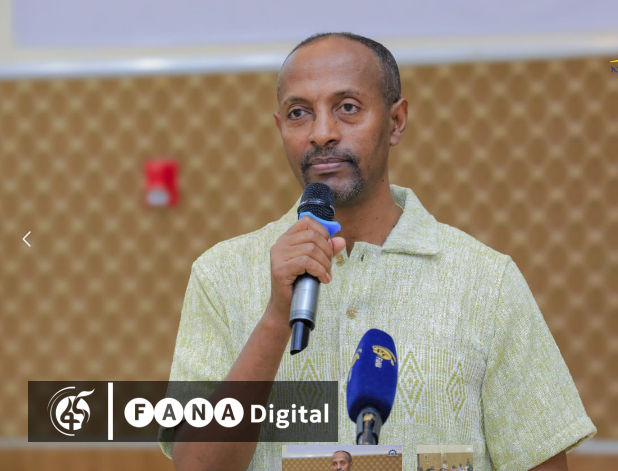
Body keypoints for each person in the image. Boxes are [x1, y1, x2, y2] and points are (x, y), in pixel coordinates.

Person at [161, 32, 596, 471]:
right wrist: (276, 318)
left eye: (348, 107)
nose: (322, 133)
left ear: (397, 121)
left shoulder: (486, 280)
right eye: (299, 113)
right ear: (280, 129)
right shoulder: (221, 275)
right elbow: (196, 466)